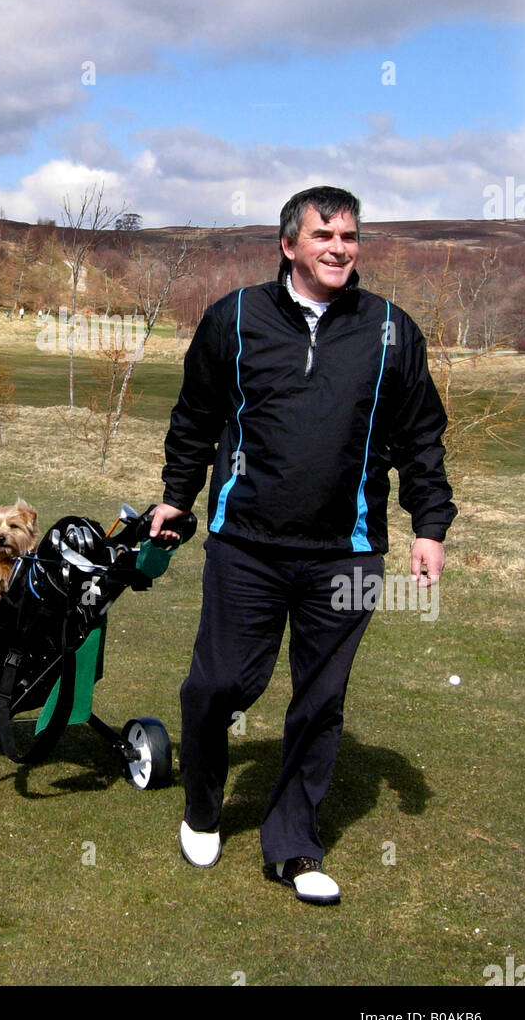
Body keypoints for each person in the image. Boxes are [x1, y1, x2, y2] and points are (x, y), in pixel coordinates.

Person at [149, 186, 456, 904]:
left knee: (320, 699)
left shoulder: (390, 329)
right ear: (289, 244)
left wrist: (430, 525)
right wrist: (176, 493)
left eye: (350, 236)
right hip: (244, 542)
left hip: (347, 552)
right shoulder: (235, 318)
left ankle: (294, 846)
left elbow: (421, 437)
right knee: (217, 685)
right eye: (324, 235)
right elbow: (196, 416)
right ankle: (202, 804)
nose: (339, 248)